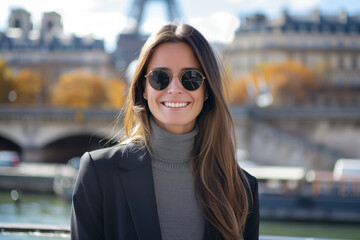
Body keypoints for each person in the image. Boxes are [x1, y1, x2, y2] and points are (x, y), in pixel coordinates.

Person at [71, 23, 259, 240]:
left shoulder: (242, 188)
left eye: (191, 78)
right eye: (160, 77)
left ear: (207, 89)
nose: (175, 89)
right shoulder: (98, 173)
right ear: (143, 87)